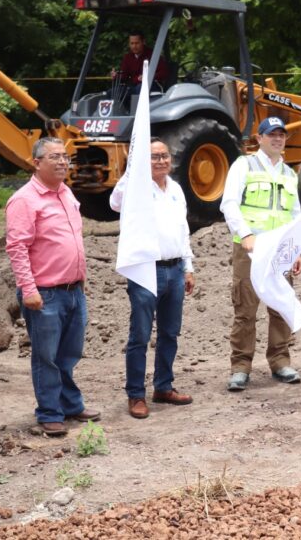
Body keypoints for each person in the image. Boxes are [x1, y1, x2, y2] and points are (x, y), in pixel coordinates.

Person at [5, 137, 99, 436]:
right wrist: (28, 289)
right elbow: (17, 247)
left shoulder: (65, 193)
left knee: (69, 354)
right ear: (36, 162)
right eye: (54, 157)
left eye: (65, 157)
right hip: (44, 294)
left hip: (73, 290)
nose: (62, 162)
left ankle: (70, 404)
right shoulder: (24, 199)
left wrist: (81, 276)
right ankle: (49, 412)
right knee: (46, 356)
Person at [110, 138, 195, 419]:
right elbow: (115, 203)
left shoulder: (176, 189)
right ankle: (136, 394)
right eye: (154, 157)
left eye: (164, 156)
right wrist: (131, 171)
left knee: (170, 332)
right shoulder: (136, 187)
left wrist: (188, 265)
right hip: (146, 269)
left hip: (174, 268)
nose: (160, 161)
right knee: (141, 335)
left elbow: (183, 230)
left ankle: (163, 386)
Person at [219, 116, 301, 391]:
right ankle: (241, 366)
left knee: (280, 307)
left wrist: (296, 250)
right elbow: (229, 204)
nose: (277, 139)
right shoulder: (244, 165)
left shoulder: (290, 174)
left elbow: (294, 215)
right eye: (271, 135)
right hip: (250, 249)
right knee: (246, 309)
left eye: (281, 135)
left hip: (280, 251)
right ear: (259, 138)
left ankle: (280, 361)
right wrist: (246, 235)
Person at [110, 32, 168, 97]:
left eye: (137, 43)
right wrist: (116, 76)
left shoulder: (153, 55)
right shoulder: (128, 57)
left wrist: (148, 77)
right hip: (133, 87)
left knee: (139, 89)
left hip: (151, 85)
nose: (134, 46)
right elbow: (124, 75)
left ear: (143, 42)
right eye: (132, 43)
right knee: (111, 92)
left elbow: (164, 73)